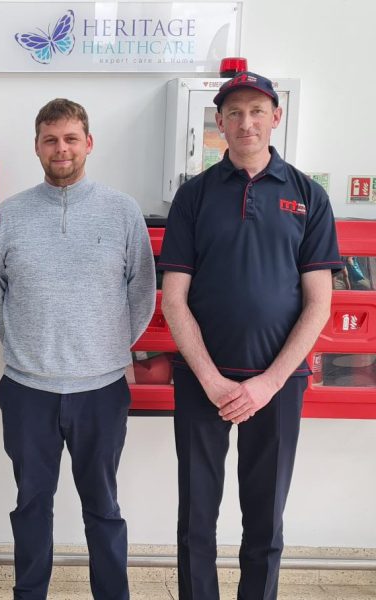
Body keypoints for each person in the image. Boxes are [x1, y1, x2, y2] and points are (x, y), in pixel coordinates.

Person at [158, 71, 343, 600]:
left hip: (279, 385)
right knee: (196, 517)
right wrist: (213, 379)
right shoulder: (192, 198)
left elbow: (319, 303)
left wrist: (267, 383)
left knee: (265, 518)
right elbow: (174, 299)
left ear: (276, 117)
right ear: (218, 122)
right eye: (234, 112)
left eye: (257, 111)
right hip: (201, 382)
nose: (246, 122)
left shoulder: (308, 195)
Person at [0, 98, 156, 600]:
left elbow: (141, 294)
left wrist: (107, 350)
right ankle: (30, 592)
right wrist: (28, 349)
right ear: (36, 146)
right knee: (31, 504)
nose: (62, 149)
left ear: (89, 143)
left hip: (101, 390)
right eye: (51, 139)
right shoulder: (11, 215)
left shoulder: (121, 211)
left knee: (103, 506)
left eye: (71, 138)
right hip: (26, 391)